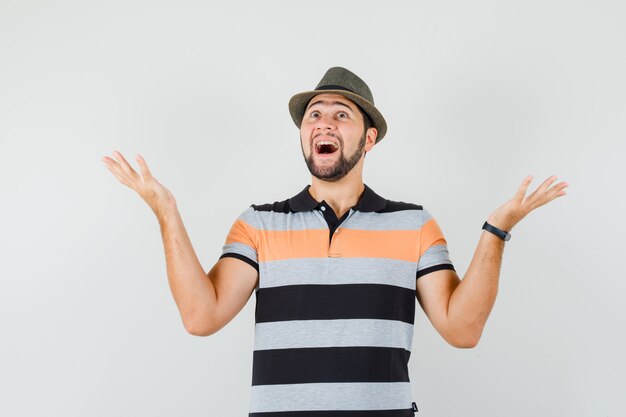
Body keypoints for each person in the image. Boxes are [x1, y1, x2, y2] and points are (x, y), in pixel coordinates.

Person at [102, 66, 568, 416]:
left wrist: (497, 229)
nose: (323, 123)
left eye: (340, 115)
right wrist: (166, 210)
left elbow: (462, 330)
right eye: (314, 115)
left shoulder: (414, 225)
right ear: (304, 135)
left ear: (368, 139)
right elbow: (201, 317)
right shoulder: (259, 225)